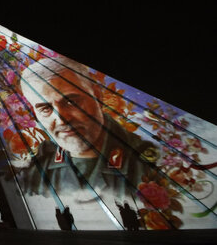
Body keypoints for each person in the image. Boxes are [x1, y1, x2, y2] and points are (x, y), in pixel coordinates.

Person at [17, 56, 157, 198]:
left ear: (97, 96)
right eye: (45, 109)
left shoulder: (146, 165)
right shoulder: (36, 170)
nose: (61, 120)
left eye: (71, 102)